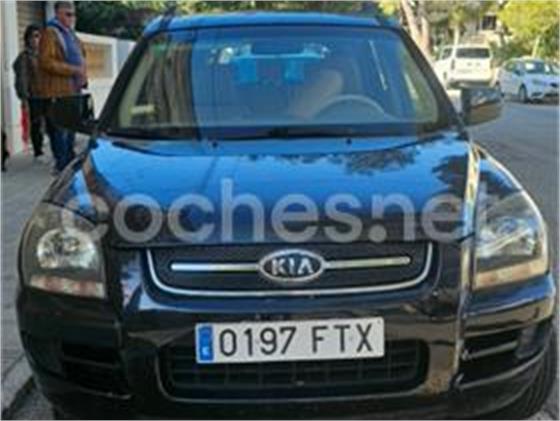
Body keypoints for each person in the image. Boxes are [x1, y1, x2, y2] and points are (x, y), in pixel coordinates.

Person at [37, 1, 87, 175]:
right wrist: (73, 70)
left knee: (71, 129)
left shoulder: (71, 35)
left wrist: (83, 75)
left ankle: (69, 163)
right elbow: (46, 62)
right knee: (61, 131)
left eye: (73, 15)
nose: (72, 18)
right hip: (59, 90)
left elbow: (81, 58)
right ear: (58, 14)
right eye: (68, 14)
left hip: (74, 90)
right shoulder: (51, 33)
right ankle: (61, 165)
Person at [13, 24, 49, 164]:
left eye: (38, 36)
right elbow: (22, 78)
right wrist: (24, 97)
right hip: (33, 96)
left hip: (46, 94)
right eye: (32, 36)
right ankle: (38, 152)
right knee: (36, 124)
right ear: (27, 39)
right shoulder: (24, 57)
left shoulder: (43, 55)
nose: (35, 39)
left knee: (50, 123)